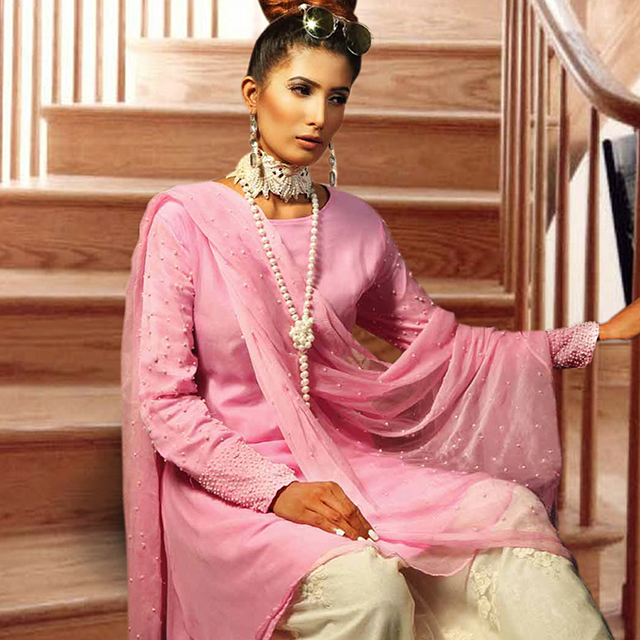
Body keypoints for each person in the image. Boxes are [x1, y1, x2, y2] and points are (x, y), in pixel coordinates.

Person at [120, 1, 640, 638]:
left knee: (510, 512)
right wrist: (277, 490)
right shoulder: (185, 221)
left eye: (336, 97)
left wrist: (590, 337)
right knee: (367, 593)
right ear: (253, 95)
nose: (319, 116)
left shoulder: (356, 225)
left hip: (346, 462)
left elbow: (440, 344)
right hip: (230, 486)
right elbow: (166, 404)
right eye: (301, 90)